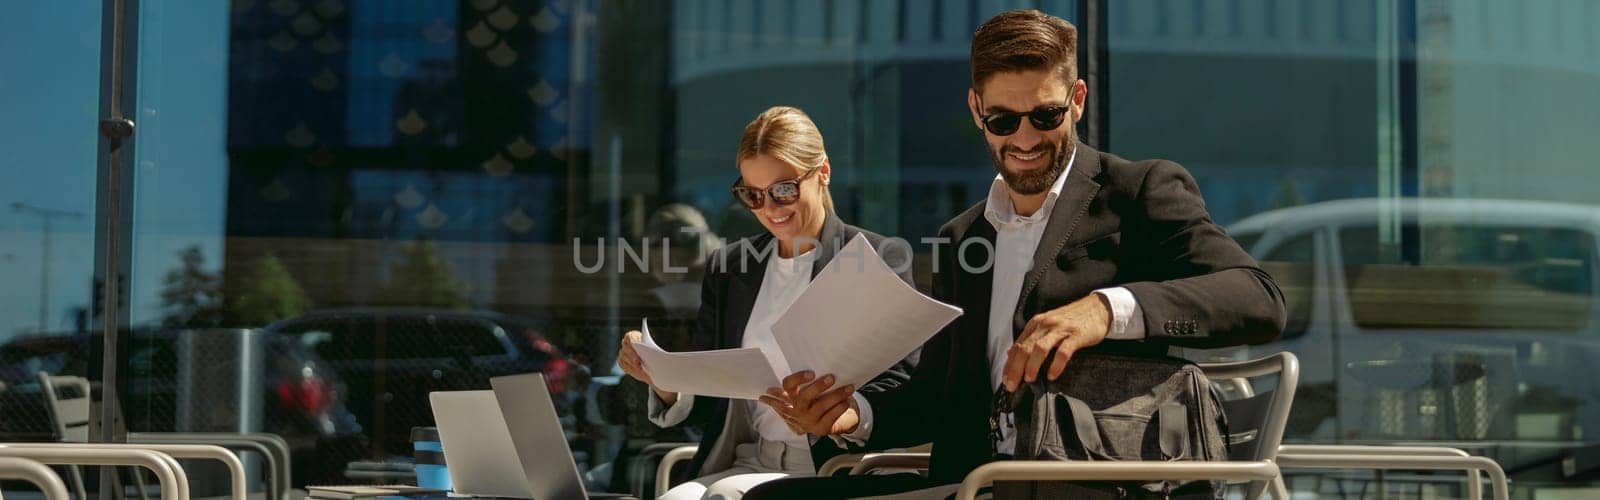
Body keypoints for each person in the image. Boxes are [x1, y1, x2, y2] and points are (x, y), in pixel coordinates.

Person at [746, 10, 1286, 498]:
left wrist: (1106, 310)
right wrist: (852, 415)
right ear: (976, 110)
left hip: (1086, 483)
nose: (1024, 138)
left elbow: (1258, 299)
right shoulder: (963, 238)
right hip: (976, 483)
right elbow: (939, 395)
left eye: (1045, 116)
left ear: (1077, 100)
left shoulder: (1138, 194)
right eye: (1004, 121)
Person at [615, 106, 917, 500]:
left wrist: (846, 415)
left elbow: (909, 383)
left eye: (784, 190)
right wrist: (665, 381)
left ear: (822, 173)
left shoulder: (874, 259)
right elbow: (713, 398)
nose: (770, 209)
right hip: (743, 459)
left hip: (828, 467)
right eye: (753, 195)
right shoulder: (731, 268)